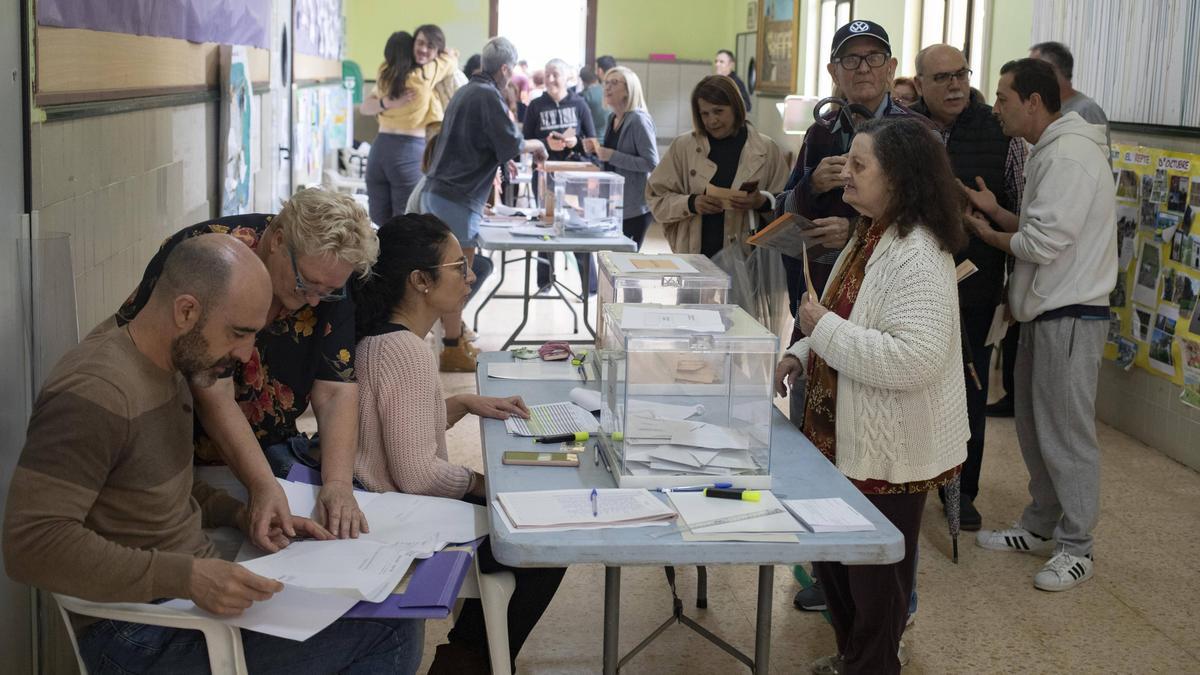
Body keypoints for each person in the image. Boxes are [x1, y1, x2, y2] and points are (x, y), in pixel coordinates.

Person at [3, 235, 424, 673]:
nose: (245, 355)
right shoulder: (95, 391)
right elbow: (31, 545)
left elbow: (158, 488)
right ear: (186, 311)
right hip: (136, 634)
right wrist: (187, 577)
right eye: (239, 333)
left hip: (186, 602)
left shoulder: (172, 365)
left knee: (388, 605)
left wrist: (240, 514)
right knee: (391, 629)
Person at [775, 117, 969, 674]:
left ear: (901, 179)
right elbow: (841, 316)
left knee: (876, 584)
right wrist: (802, 351)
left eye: (861, 167)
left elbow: (912, 359)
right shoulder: (869, 232)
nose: (846, 177)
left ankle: (874, 665)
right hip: (838, 439)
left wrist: (819, 328)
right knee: (835, 567)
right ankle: (852, 658)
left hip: (888, 453)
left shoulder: (919, 254)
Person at [353, 214, 566, 673]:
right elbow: (418, 473)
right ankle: (468, 658)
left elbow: (396, 429)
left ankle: (469, 653)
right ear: (420, 281)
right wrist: (482, 484)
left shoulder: (396, 336)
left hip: (384, 501)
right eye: (458, 267)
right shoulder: (404, 350)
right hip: (395, 515)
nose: (469, 277)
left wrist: (464, 403)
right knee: (543, 542)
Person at [111, 188, 378, 548]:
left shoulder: (327, 276)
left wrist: (338, 485)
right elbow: (212, 390)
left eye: (329, 291)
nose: (315, 299)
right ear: (278, 240)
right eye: (307, 283)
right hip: (170, 444)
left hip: (260, 444)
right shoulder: (211, 260)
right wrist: (262, 485)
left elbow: (334, 390)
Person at [965, 58, 1116, 593]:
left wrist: (989, 237)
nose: (997, 106)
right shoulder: (1048, 149)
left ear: (1033, 101)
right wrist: (998, 213)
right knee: (1033, 426)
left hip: (1071, 315)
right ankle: (1040, 524)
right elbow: (1038, 227)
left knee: (1066, 435)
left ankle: (1078, 548)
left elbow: (1043, 244)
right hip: (1043, 312)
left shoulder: (1071, 154)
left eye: (1003, 97)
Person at [910, 44, 1027, 531]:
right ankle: (911, 481)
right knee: (913, 386)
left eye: (960, 74)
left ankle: (964, 489)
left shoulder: (1001, 132)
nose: (955, 85)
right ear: (919, 85)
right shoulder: (903, 130)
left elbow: (1022, 211)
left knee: (971, 387)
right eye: (941, 78)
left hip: (977, 283)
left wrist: (1012, 285)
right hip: (913, 285)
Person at [422, 36, 547, 372]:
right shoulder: (487, 95)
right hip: (454, 198)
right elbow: (514, 142)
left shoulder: (466, 90)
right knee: (455, 279)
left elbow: (487, 144)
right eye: (512, 71)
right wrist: (538, 145)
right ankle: (451, 349)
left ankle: (454, 338)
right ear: (504, 68)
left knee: (452, 276)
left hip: (442, 193)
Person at [647, 74, 787, 257]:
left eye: (718, 111)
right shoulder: (683, 147)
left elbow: (789, 206)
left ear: (736, 107)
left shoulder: (767, 149)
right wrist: (691, 203)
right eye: (704, 114)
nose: (712, 121)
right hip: (693, 258)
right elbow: (656, 198)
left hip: (746, 262)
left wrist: (760, 202)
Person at [361, 30, 459, 226]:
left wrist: (387, 102)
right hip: (407, 151)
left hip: (378, 150)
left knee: (379, 221)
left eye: (428, 45)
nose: (422, 49)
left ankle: (379, 257)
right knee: (405, 222)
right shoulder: (423, 75)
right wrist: (447, 53)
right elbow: (450, 63)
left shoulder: (385, 74)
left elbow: (365, 108)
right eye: (419, 44)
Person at [524, 57, 599, 294]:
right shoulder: (536, 105)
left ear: (568, 77)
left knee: (577, 228)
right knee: (545, 227)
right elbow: (524, 140)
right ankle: (544, 282)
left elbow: (592, 141)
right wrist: (542, 144)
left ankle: (590, 285)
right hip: (545, 174)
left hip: (574, 174)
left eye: (555, 74)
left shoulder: (580, 104)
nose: (551, 79)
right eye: (547, 74)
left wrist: (575, 142)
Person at [587, 65, 659, 249]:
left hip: (635, 208)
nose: (607, 87)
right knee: (611, 263)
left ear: (628, 90)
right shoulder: (613, 118)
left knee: (624, 265)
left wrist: (612, 156)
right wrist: (598, 151)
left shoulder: (638, 120)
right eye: (606, 83)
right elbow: (613, 157)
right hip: (614, 205)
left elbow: (652, 164)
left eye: (614, 83)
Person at [579, 65, 610, 133]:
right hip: (610, 137)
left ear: (582, 80)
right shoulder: (608, 91)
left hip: (592, 139)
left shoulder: (583, 97)